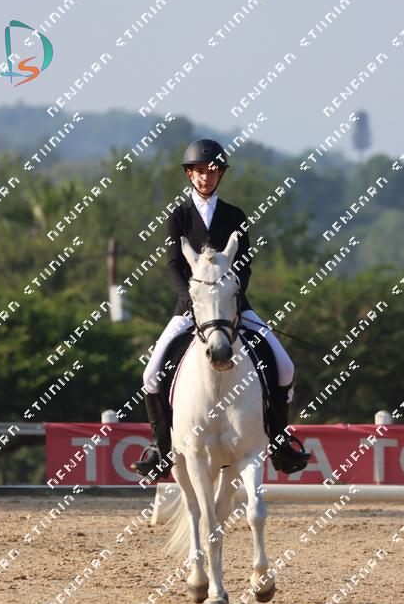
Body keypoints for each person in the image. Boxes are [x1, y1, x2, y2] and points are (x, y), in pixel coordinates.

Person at [132, 138, 310, 477]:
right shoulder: (178, 216)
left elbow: (244, 265)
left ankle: (280, 441)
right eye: (199, 171)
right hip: (190, 309)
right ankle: (160, 447)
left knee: (285, 367)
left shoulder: (235, 215)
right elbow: (174, 264)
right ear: (189, 174)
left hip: (233, 308)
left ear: (220, 175)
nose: (205, 177)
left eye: (212, 171)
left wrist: (233, 295)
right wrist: (192, 300)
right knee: (151, 374)